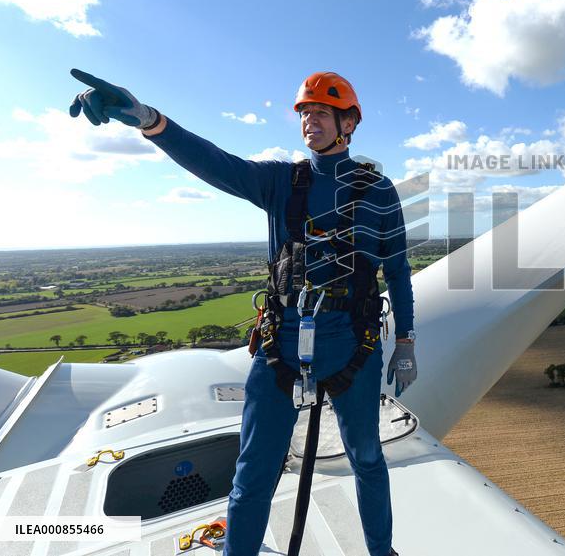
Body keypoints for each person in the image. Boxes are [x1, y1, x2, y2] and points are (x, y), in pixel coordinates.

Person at [68, 68, 416, 556]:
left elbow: (397, 271)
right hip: (282, 338)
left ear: (348, 123)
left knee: (367, 458)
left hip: (351, 339)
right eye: (305, 113)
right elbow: (217, 163)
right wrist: (151, 121)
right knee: (253, 470)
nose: (310, 121)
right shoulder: (281, 182)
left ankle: (382, 551)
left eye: (321, 112)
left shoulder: (378, 192)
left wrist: (404, 342)